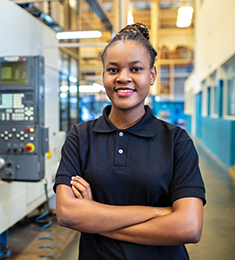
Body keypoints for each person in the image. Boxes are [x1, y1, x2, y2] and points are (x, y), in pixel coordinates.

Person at [53, 22, 206, 260]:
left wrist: (95, 216)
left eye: (136, 69)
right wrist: (158, 213)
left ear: (152, 74)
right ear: (103, 75)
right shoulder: (80, 137)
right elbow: (67, 214)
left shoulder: (176, 141)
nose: (123, 78)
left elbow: (188, 227)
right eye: (113, 70)